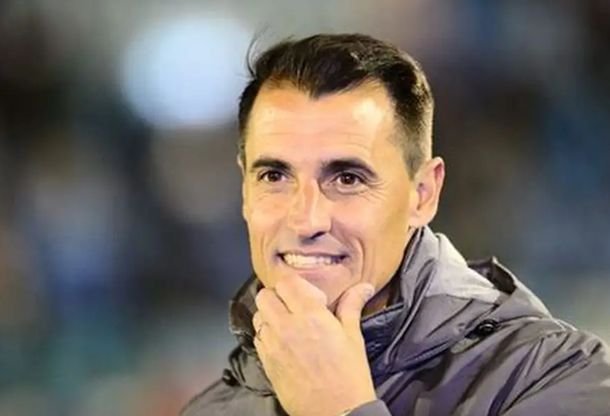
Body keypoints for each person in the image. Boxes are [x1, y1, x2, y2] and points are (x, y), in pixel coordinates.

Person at [181, 34, 610, 416]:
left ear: (423, 194)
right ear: (245, 191)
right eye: (274, 176)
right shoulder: (213, 410)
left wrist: (340, 410)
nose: (306, 219)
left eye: (347, 179)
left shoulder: (554, 377)